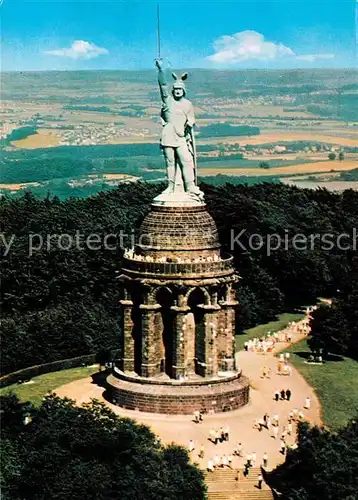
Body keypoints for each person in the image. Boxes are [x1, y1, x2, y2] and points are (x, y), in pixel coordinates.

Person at [155, 59, 203, 201]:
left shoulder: (188, 104)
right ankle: (170, 186)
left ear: (183, 91)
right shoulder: (168, 101)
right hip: (168, 135)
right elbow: (163, 85)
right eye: (175, 89)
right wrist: (161, 70)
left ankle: (190, 186)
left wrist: (190, 122)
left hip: (181, 136)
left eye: (179, 90)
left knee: (187, 160)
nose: (177, 92)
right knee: (170, 162)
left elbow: (191, 118)